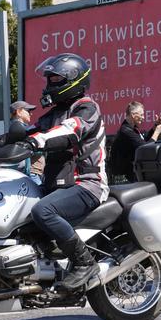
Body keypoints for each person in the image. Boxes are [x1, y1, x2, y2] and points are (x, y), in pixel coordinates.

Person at [22, 53, 108, 289]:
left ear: (74, 81)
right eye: (49, 79)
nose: (50, 84)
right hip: (59, 185)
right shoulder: (52, 115)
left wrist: (36, 142)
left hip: (87, 183)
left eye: (56, 79)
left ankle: (84, 262)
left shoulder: (86, 108)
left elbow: (70, 131)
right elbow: (26, 133)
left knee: (43, 210)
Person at [109, 101, 161, 182]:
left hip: (131, 175)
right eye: (141, 115)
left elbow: (143, 141)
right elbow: (145, 148)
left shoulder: (132, 129)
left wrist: (155, 126)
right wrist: (157, 132)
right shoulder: (125, 131)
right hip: (124, 179)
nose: (143, 117)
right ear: (133, 115)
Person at [9, 100, 45, 185]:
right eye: (28, 111)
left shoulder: (22, 128)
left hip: (33, 172)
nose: (31, 114)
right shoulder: (18, 129)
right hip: (30, 173)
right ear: (19, 112)